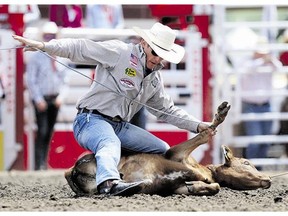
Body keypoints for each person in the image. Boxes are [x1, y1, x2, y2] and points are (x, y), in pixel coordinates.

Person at [13, 22, 214, 196]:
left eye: (163, 56)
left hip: (118, 126)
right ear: (144, 44)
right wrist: (45, 46)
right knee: (109, 142)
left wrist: (197, 125)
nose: (158, 59)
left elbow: (166, 110)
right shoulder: (120, 52)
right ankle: (109, 183)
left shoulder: (154, 79)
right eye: (156, 53)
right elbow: (81, 47)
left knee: (161, 148)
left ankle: (132, 175)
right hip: (90, 120)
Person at [25, 21, 67, 170]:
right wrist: (38, 99)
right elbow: (31, 79)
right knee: (42, 131)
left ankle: (44, 161)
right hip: (42, 99)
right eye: (48, 35)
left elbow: (64, 81)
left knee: (49, 131)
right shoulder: (36, 57)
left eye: (52, 35)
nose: (50, 38)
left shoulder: (61, 57)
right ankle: (39, 164)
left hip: (55, 98)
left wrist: (61, 97)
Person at [240, 36, 282, 160]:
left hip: (266, 105)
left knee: (266, 140)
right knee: (255, 139)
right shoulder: (246, 61)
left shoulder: (270, 62)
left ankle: (260, 168)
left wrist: (270, 60)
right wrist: (263, 60)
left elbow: (280, 69)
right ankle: (252, 167)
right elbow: (249, 69)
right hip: (250, 105)